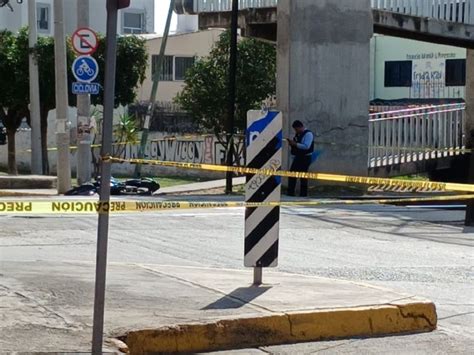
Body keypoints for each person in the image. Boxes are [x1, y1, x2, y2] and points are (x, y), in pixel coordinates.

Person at [287, 120, 314, 197]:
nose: (296, 131)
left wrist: (295, 144)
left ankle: (303, 194)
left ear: (300, 127)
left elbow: (306, 146)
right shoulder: (298, 134)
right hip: (299, 156)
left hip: (305, 157)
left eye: (296, 129)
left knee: (303, 175)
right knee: (292, 173)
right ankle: (291, 192)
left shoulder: (308, 134)